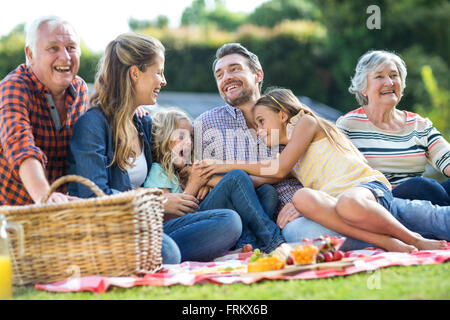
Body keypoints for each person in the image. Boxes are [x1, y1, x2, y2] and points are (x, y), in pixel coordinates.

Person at [199, 87, 447, 252]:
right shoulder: (286, 153)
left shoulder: (306, 123)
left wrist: (225, 164)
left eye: (261, 121)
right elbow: (255, 180)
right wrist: (208, 178)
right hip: (338, 203)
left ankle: (414, 240)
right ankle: (390, 243)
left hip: (364, 189)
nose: (259, 130)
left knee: (349, 204)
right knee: (302, 197)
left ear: (283, 115)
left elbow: (277, 170)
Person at [68, 32, 242, 264]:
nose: (164, 80)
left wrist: (193, 175)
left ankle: (160, 252)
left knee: (229, 221)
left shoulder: (142, 124)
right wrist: (156, 202)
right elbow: (94, 199)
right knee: (168, 251)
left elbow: (173, 159)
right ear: (134, 74)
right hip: (111, 231)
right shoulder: (92, 125)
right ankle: (162, 253)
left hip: (149, 226)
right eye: (158, 72)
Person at [194, 42, 304, 231]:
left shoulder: (286, 111)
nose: (226, 78)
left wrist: (305, 203)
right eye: (219, 75)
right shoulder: (205, 124)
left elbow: (317, 165)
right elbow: (193, 175)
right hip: (245, 224)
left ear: (258, 75)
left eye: (234, 69)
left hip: (298, 208)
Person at [144, 109, 285, 253]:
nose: (189, 142)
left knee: (268, 192)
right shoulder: (159, 171)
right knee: (236, 176)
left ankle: (248, 244)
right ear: (163, 139)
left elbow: (237, 188)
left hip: (202, 215)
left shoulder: (187, 171)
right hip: (184, 228)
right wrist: (195, 184)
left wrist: (207, 183)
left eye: (191, 137)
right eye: (181, 136)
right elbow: (167, 219)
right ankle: (272, 240)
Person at [336, 50, 450, 206]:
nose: (389, 82)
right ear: (363, 88)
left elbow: (447, 158)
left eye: (394, 75)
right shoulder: (348, 125)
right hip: (381, 201)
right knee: (420, 185)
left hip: (424, 200)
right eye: (379, 76)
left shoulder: (419, 124)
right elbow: (332, 169)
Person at [0, 16, 88, 205]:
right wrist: (44, 196)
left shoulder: (80, 89)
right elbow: (20, 144)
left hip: (57, 216)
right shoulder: (14, 86)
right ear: (30, 54)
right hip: (11, 219)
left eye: (71, 47)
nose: (65, 57)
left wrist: (130, 111)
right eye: (53, 48)